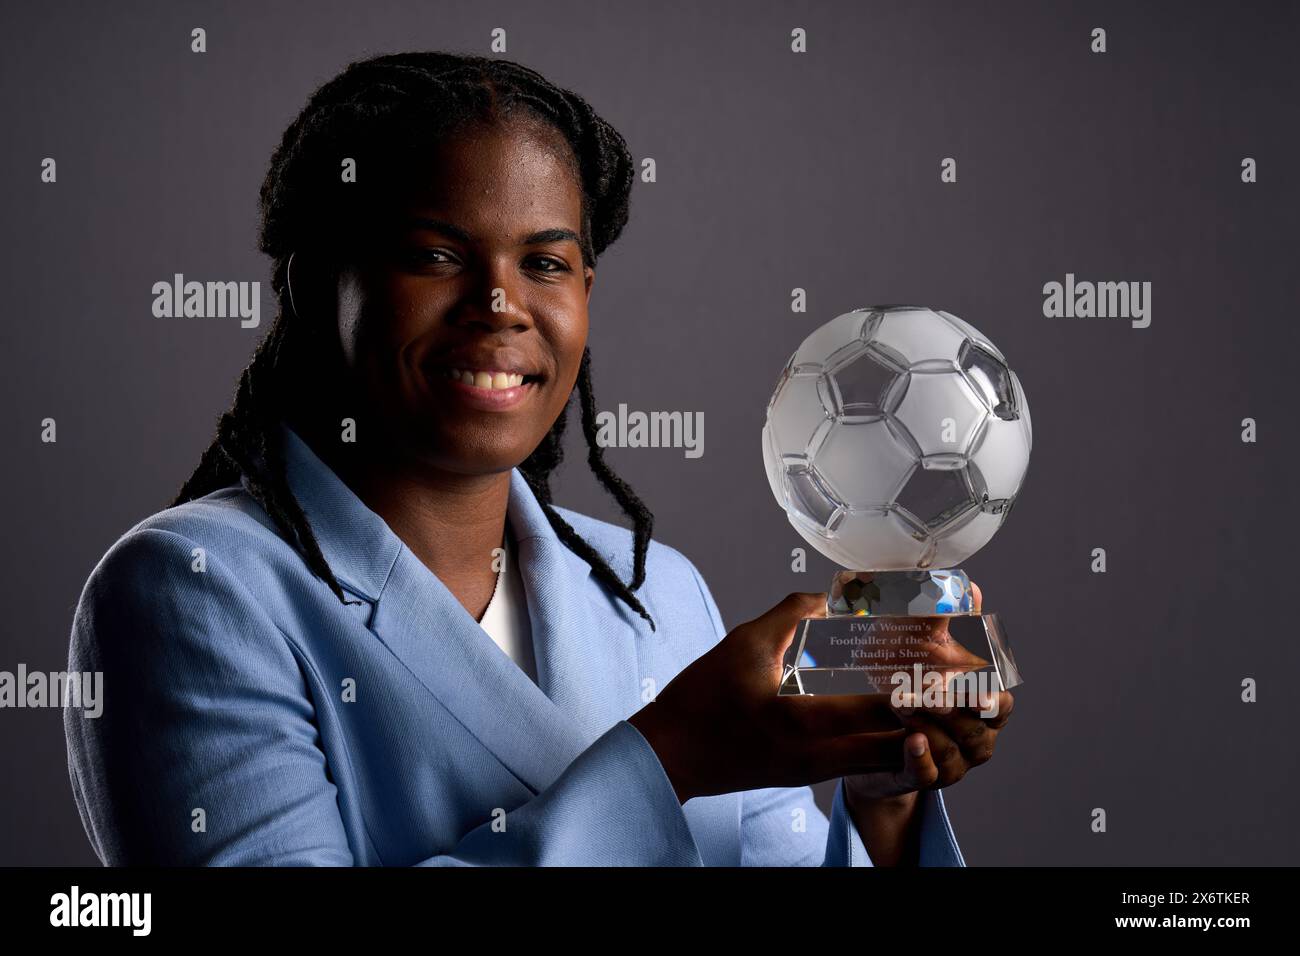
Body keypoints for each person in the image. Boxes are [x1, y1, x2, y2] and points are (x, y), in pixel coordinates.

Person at [63, 51, 1012, 867]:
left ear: (586, 292)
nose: (500, 303)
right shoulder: (193, 588)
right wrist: (670, 756)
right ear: (316, 285)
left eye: (546, 264)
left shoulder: (659, 594)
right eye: (436, 255)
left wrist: (883, 795)